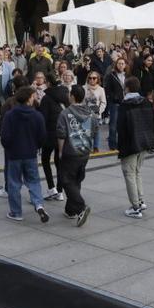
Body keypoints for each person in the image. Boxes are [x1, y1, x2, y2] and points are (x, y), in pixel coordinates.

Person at [0, 86, 49, 223]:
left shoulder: (10, 115)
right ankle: (38, 204)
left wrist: (8, 148)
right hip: (30, 153)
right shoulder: (37, 116)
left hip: (14, 154)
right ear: (29, 98)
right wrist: (35, 146)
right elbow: (42, 136)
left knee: (14, 183)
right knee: (33, 181)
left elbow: (5, 136)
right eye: (33, 96)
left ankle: (16, 212)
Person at [116, 76, 154, 219]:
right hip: (144, 143)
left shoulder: (124, 105)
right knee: (137, 172)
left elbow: (120, 128)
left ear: (127, 88)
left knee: (129, 174)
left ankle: (135, 207)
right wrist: (151, 135)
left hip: (130, 144)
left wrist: (121, 148)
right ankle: (141, 201)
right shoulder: (146, 102)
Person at [56, 84, 98, 226]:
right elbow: (94, 130)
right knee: (76, 179)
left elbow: (61, 134)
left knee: (67, 180)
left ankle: (81, 207)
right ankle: (70, 210)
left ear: (72, 96)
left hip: (70, 152)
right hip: (84, 151)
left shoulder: (65, 113)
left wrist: (61, 151)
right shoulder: (90, 113)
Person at [38, 72, 70, 200]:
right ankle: (60, 191)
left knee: (45, 159)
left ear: (48, 83)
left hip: (50, 134)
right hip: (63, 134)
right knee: (59, 162)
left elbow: (42, 118)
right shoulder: (65, 95)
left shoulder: (46, 98)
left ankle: (52, 189)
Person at [103, 56, 128, 150]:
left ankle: (122, 142)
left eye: (122, 63)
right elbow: (108, 89)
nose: (121, 65)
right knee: (113, 124)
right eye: (119, 63)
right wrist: (115, 97)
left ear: (125, 65)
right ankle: (112, 144)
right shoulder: (111, 75)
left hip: (126, 102)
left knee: (123, 124)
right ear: (116, 65)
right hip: (115, 103)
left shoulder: (127, 75)